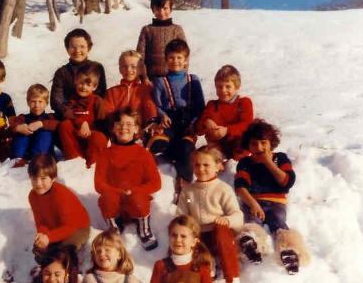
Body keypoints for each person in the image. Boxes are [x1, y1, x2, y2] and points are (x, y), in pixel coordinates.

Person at [234, 119, 309, 274]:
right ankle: (252, 246)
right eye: (254, 144)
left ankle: (290, 252)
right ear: (248, 145)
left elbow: (286, 182)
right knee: (252, 222)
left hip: (276, 203)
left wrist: (268, 162)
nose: (259, 148)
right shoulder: (245, 162)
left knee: (278, 222)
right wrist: (253, 204)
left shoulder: (280, 158)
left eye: (263, 143)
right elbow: (240, 187)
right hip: (253, 202)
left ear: (271, 143)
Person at [177, 146, 244, 283]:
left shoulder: (223, 189)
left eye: (206, 165)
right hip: (199, 238)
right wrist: (187, 225)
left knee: (221, 230)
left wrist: (227, 220)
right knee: (185, 236)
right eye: (197, 165)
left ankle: (233, 280)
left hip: (219, 236)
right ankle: (205, 276)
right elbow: (181, 215)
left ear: (218, 166)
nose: (201, 169)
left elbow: (238, 216)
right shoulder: (188, 192)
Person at [95, 107, 161, 250]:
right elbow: (99, 183)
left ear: (136, 129)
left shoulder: (143, 154)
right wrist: (117, 191)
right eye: (119, 124)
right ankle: (114, 228)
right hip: (115, 205)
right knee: (106, 198)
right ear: (113, 128)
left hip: (136, 204)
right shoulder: (105, 154)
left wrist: (135, 190)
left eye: (129, 124)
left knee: (138, 198)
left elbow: (156, 183)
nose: (123, 127)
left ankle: (144, 229)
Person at [147, 39, 205, 196]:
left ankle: (185, 183)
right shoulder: (160, 81)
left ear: (186, 60)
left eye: (179, 57)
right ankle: (168, 154)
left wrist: (194, 123)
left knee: (185, 149)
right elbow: (156, 104)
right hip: (170, 122)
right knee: (158, 143)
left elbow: (200, 106)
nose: (175, 61)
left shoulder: (193, 80)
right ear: (166, 60)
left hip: (188, 123)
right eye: (171, 58)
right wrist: (163, 115)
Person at [27, 154, 90, 260]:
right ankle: (47, 265)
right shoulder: (32, 196)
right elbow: (41, 222)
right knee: (40, 250)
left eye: (43, 178)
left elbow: (69, 227)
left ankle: (68, 267)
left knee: (63, 253)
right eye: (34, 178)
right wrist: (43, 237)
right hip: (56, 229)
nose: (38, 183)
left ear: (53, 178)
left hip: (77, 228)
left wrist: (49, 237)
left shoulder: (61, 195)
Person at [196, 65, 254, 162]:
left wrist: (227, 130)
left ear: (236, 87)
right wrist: (206, 123)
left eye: (228, 86)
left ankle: (237, 166)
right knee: (206, 157)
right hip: (218, 146)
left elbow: (247, 125)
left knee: (240, 149)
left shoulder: (243, 103)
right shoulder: (212, 105)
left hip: (238, 147)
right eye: (219, 86)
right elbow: (198, 130)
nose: (223, 90)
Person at [57, 62, 108, 168]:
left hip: (92, 139)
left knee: (99, 137)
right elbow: (67, 114)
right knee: (65, 125)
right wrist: (81, 123)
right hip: (77, 139)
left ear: (94, 87)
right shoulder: (71, 101)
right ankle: (75, 160)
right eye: (81, 83)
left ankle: (93, 164)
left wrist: (91, 132)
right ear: (75, 81)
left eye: (88, 85)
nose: (84, 87)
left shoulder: (97, 101)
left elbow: (102, 123)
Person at [51, 28, 107, 119]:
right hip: (68, 117)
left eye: (82, 46)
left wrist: (88, 116)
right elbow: (56, 102)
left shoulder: (97, 68)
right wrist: (74, 117)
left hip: (91, 116)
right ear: (67, 49)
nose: (77, 50)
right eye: (73, 47)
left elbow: (101, 95)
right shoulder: (62, 72)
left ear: (88, 48)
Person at [103, 50, 159, 142]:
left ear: (140, 69)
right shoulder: (112, 92)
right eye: (125, 66)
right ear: (120, 69)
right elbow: (108, 112)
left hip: (140, 132)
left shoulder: (145, 89)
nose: (129, 70)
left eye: (133, 67)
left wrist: (150, 122)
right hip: (120, 131)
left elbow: (150, 107)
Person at [135, 0, 188, 84]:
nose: (161, 12)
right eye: (158, 9)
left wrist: (182, 75)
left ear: (170, 8)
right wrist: (144, 77)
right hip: (151, 80)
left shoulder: (177, 30)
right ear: (153, 9)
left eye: (165, 8)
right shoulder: (147, 30)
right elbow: (140, 56)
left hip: (173, 79)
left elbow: (185, 54)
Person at [9, 84, 59, 168]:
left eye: (40, 102)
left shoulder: (50, 117)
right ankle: (18, 159)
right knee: (21, 132)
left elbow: (57, 124)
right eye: (33, 101)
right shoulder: (23, 117)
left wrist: (41, 124)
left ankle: (39, 159)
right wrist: (18, 128)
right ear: (28, 102)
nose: (36, 105)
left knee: (45, 133)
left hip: (43, 152)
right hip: (25, 152)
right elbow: (12, 126)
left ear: (46, 103)